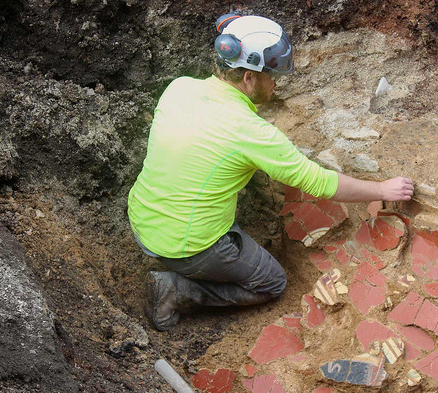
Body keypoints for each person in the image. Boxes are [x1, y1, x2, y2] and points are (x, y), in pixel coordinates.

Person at [127, 14, 414, 331]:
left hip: (141, 216)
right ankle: (178, 289)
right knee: (272, 283)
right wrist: (382, 190)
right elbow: (319, 182)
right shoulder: (252, 133)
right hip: (186, 247)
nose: (277, 82)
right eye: (272, 74)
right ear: (249, 78)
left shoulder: (180, 88)